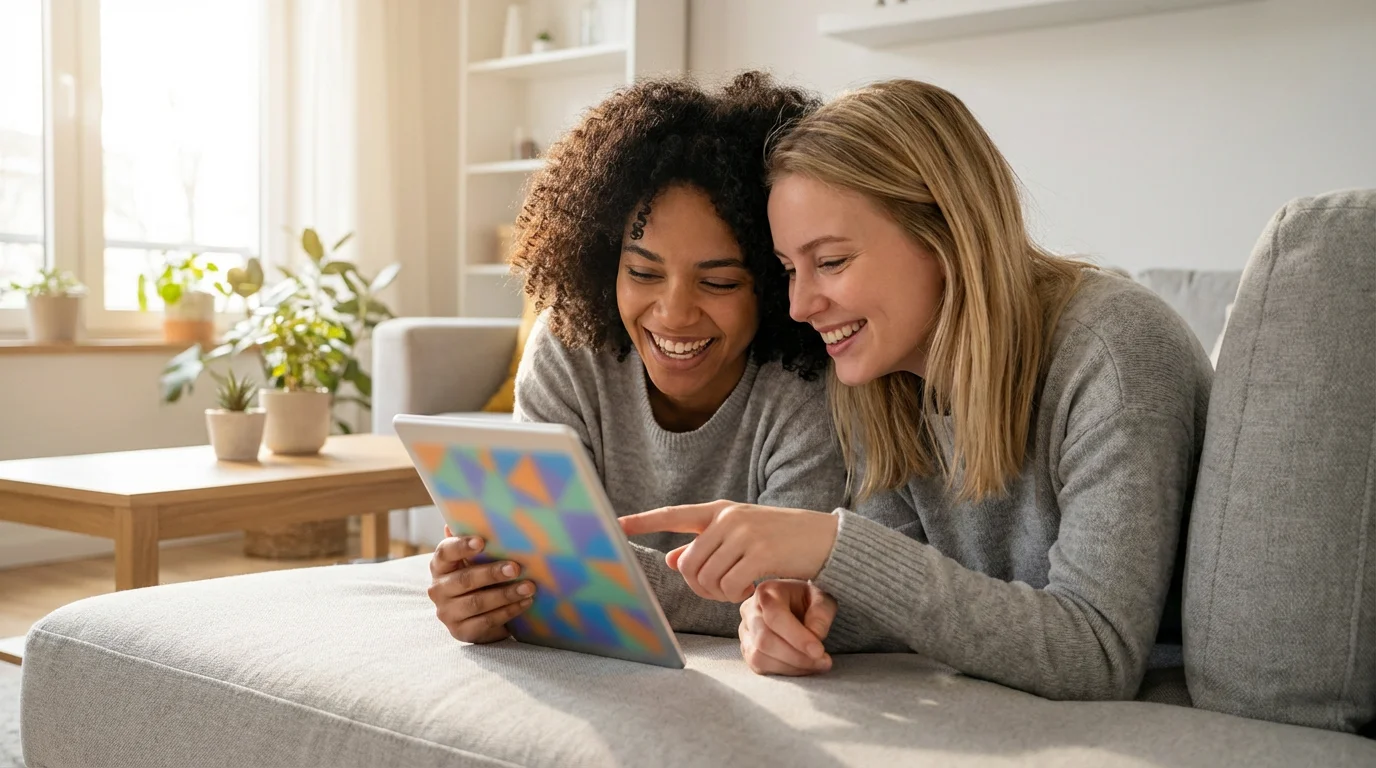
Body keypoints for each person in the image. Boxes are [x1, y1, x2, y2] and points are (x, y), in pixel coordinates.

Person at [621, 79, 1212, 700]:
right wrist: (793, 607)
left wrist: (833, 544)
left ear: (945, 234)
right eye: (791, 269)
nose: (798, 305)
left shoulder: (1115, 350)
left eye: (832, 262)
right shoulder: (884, 381)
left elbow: (1095, 652)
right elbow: (905, 600)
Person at [427, 72, 847, 645]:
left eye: (719, 282)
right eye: (643, 273)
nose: (673, 314)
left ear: (773, 285)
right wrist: (488, 592)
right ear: (605, 263)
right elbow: (531, 556)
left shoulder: (809, 383)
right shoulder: (569, 348)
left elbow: (788, 593)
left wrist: (551, 574)